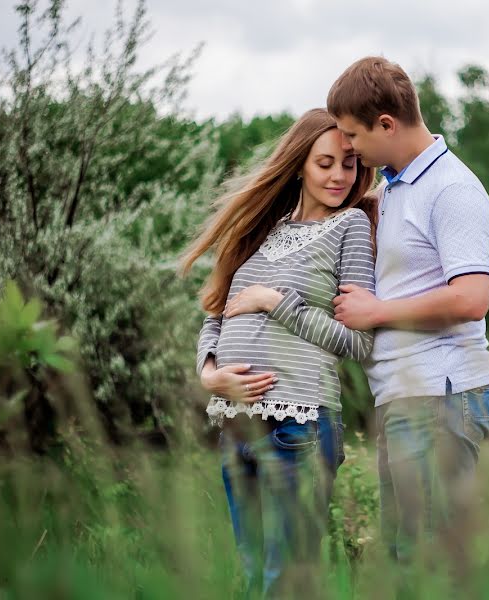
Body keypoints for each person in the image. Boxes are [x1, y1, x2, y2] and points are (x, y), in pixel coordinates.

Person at [178, 108, 376, 597]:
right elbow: (215, 314)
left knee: (282, 579)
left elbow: (358, 342)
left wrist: (275, 303)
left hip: (300, 424)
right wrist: (209, 375)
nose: (338, 176)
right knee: (250, 574)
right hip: (237, 423)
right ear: (298, 165)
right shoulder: (263, 228)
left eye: (348, 164)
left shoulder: (350, 227)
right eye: (325, 162)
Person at [327, 56, 489, 566]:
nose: (350, 149)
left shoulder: (453, 189)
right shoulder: (399, 187)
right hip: (409, 394)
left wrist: (378, 312)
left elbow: (472, 298)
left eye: (354, 136)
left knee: (427, 561)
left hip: (439, 394)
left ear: (387, 124)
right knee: (406, 554)